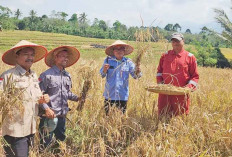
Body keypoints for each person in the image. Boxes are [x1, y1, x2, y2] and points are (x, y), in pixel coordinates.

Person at [0, 40, 49, 157]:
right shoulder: (7, 76)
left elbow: (37, 97)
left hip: (30, 128)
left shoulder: (33, 75)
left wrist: (44, 100)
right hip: (15, 130)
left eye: (32, 55)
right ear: (17, 56)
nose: (30, 57)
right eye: (26, 54)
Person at [38, 46, 80, 152]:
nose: (65, 59)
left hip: (62, 116)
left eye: (66, 57)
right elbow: (39, 95)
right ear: (55, 58)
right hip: (49, 117)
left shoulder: (67, 75)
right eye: (62, 56)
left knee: (60, 143)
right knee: (45, 145)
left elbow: (67, 93)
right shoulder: (46, 75)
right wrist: (47, 109)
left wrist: (78, 98)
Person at [156, 32, 199, 116]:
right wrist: (161, 85)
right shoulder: (165, 55)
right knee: (163, 116)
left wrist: (187, 88)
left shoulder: (190, 57)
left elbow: (195, 76)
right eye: (173, 41)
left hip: (181, 95)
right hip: (165, 94)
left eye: (178, 41)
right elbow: (159, 72)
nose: (175, 43)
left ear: (183, 41)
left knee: (180, 118)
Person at [100, 40, 142, 115]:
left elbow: (136, 76)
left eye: (121, 49)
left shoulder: (128, 62)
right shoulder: (108, 60)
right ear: (113, 51)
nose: (119, 51)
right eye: (116, 49)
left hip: (122, 95)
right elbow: (102, 75)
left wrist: (138, 71)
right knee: (108, 117)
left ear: (124, 50)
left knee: (121, 118)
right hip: (110, 95)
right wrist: (104, 70)